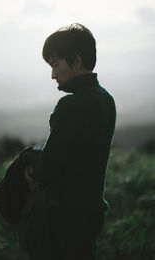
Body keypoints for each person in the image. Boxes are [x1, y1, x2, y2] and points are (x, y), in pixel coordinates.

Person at [25, 23, 116, 260]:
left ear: (76, 61)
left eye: (56, 65)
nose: (53, 74)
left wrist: (33, 171)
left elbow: (46, 170)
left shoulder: (70, 106)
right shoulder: (106, 99)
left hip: (64, 218)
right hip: (92, 214)